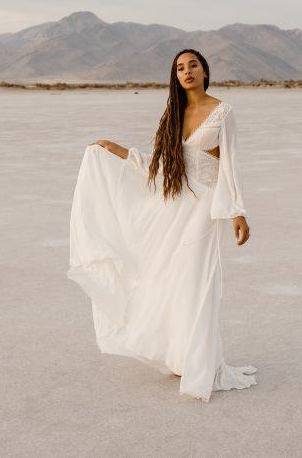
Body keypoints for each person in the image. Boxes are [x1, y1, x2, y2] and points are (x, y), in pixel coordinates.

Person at [67, 48, 258, 402]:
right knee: (168, 279)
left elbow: (230, 164)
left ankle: (201, 361)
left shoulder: (222, 112)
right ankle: (180, 356)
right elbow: (157, 165)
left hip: (202, 208)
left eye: (193, 66)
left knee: (197, 281)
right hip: (172, 206)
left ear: (205, 71)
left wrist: (238, 212)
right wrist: (116, 149)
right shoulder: (173, 112)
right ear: (176, 75)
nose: (186, 72)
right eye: (180, 68)